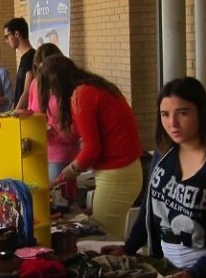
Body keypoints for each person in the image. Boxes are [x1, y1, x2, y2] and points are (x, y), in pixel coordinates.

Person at [106, 77, 206, 278]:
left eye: (182, 113)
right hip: (166, 270)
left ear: (201, 112)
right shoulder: (163, 153)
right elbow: (149, 209)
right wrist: (128, 247)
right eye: (165, 114)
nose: (172, 124)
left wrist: (197, 273)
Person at [38, 55, 143, 238]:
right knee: (110, 233)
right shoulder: (93, 87)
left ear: (56, 85)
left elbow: (92, 149)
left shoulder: (82, 94)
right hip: (125, 171)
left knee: (103, 236)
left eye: (52, 91)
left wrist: (64, 175)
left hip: (117, 175)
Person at [27, 43, 78, 181]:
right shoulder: (35, 84)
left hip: (63, 153)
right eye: (40, 69)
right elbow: (32, 113)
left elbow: (78, 126)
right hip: (40, 152)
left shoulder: (69, 87)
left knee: (59, 197)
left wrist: (56, 130)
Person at [4, 17, 34, 109]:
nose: (6, 41)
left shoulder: (31, 57)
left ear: (16, 34)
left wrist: (14, 115)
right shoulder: (24, 58)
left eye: (7, 36)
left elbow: (27, 92)